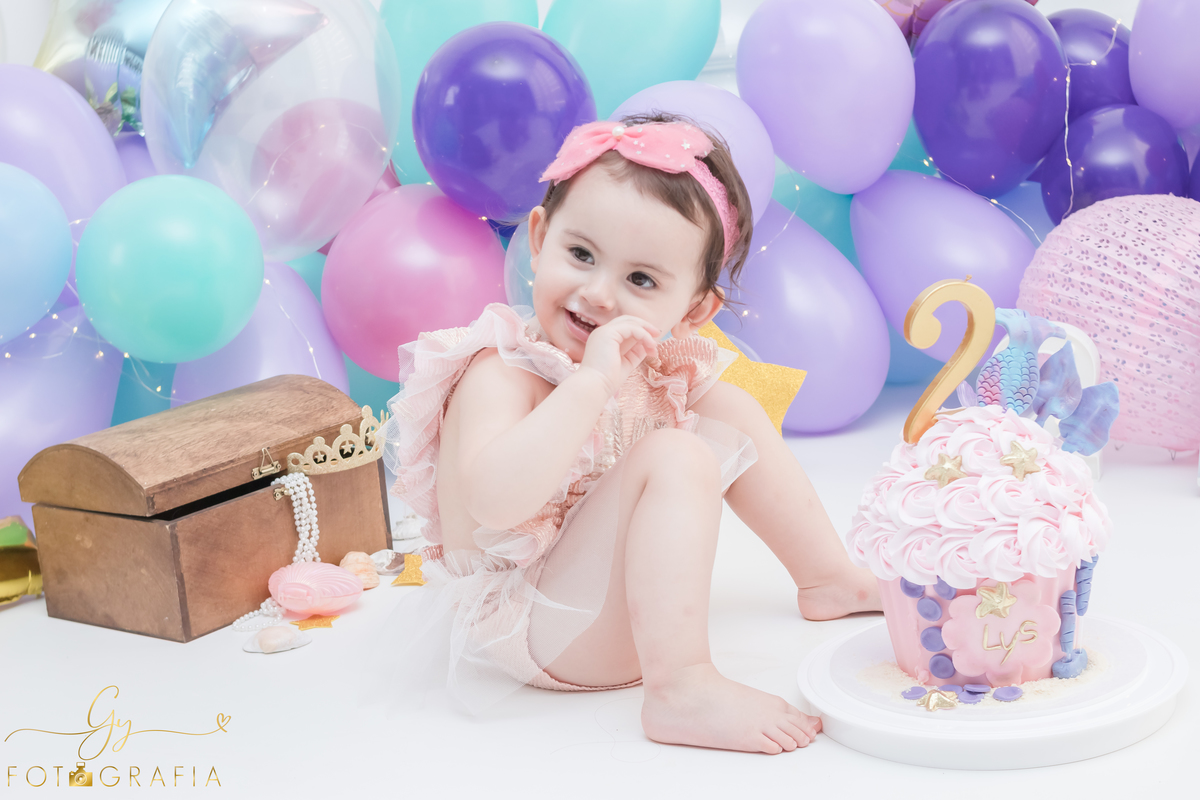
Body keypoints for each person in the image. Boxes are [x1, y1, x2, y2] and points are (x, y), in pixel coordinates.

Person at [377, 114, 880, 754]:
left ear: (694, 311)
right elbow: (494, 502)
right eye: (581, 254)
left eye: (641, 280)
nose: (598, 293)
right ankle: (682, 689)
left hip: (587, 606)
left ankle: (828, 576)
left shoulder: (657, 364)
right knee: (675, 456)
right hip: (534, 626)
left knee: (730, 407)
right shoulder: (503, 370)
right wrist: (589, 385)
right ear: (538, 236)